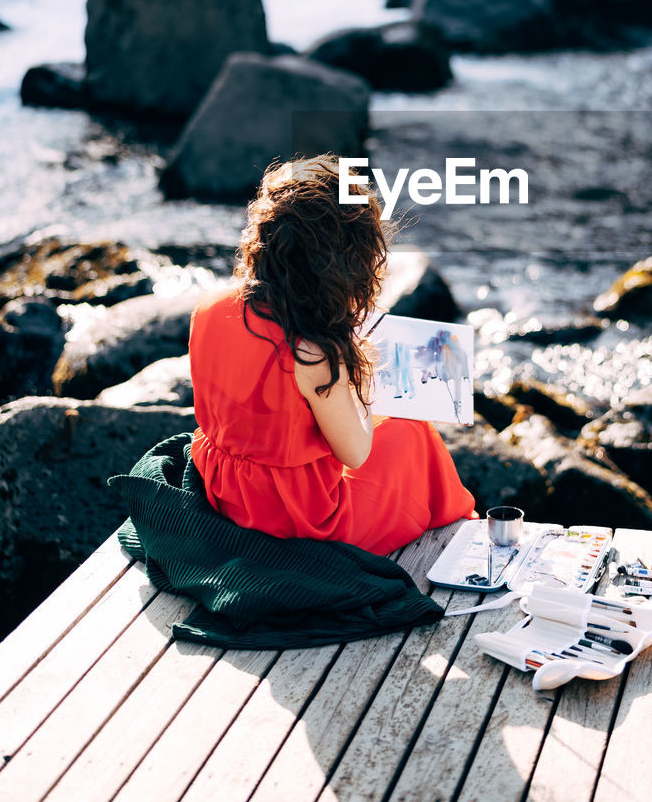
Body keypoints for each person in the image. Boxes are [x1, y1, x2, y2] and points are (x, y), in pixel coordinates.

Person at [189, 154, 476, 556]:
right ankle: (462, 535)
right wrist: (359, 380)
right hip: (295, 518)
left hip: (223, 487)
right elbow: (356, 453)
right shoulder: (312, 350)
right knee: (413, 434)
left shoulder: (210, 305)